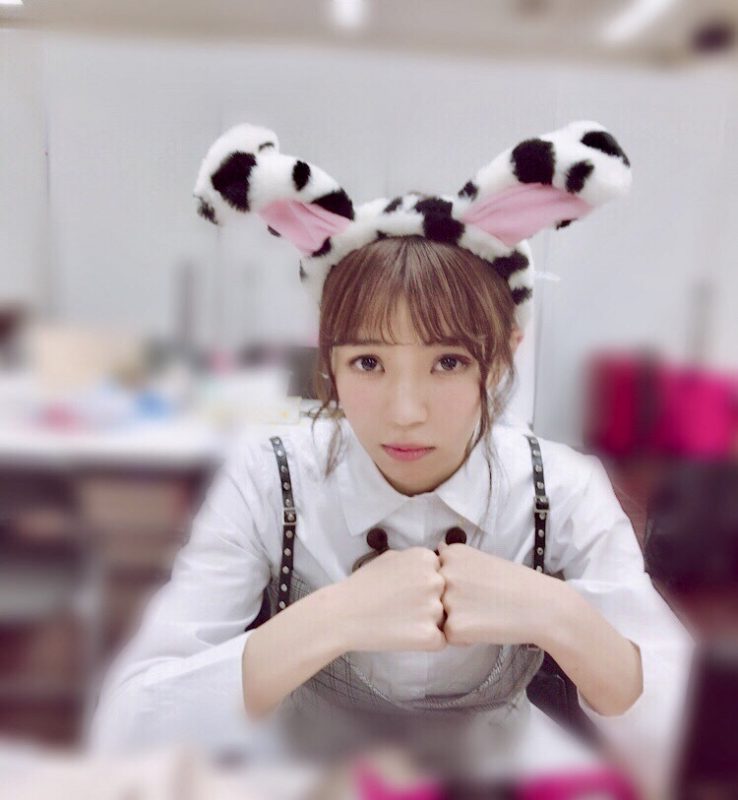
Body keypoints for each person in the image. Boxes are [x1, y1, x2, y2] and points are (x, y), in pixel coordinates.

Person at [89, 121, 695, 797]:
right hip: (307, 771)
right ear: (329, 358)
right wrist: (331, 618)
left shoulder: (562, 488)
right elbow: (130, 727)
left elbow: (686, 736)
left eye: (449, 361)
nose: (406, 411)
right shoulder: (271, 477)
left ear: (503, 354)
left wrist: (559, 616)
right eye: (368, 362)